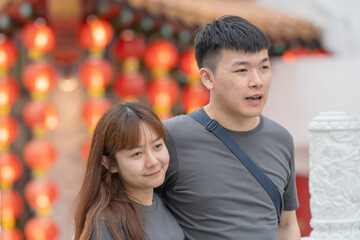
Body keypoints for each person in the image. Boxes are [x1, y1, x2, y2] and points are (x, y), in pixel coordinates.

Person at [158, 15, 301, 239]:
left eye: (264, 67)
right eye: (242, 71)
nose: (257, 81)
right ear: (207, 78)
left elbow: (286, 225)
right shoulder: (170, 137)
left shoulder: (281, 139)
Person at [73, 102, 185, 240]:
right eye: (137, 154)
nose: (153, 161)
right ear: (110, 163)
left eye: (157, 146)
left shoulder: (164, 200)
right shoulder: (107, 224)